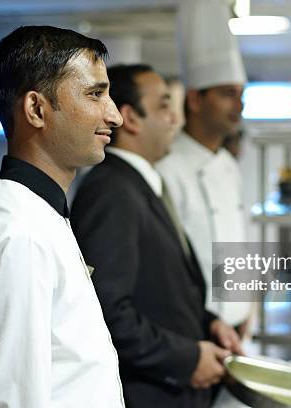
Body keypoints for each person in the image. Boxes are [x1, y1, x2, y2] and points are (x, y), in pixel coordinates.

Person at [0, 26, 125, 407]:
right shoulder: (15, 233)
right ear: (36, 109)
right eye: (94, 94)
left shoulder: (38, 214)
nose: (115, 115)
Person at [70, 64, 242, 408]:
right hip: (148, 393)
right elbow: (106, 311)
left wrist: (208, 323)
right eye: (164, 105)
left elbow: (156, 292)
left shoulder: (140, 183)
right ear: (131, 118)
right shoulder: (112, 190)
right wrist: (187, 358)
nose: (175, 120)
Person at [156, 0, 252, 330]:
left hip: (236, 331)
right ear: (195, 99)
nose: (238, 105)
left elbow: (239, 245)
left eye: (241, 94)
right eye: (227, 94)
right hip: (191, 332)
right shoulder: (165, 168)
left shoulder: (229, 166)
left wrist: (247, 310)